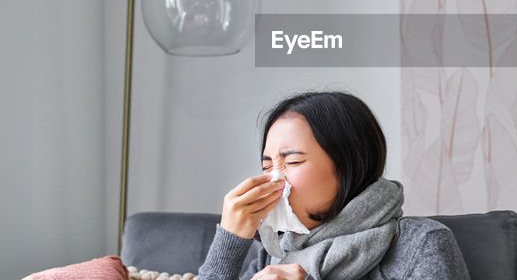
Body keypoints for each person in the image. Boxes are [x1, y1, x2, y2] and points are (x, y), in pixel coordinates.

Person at [198, 91, 470, 280]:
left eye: (291, 162)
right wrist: (229, 241)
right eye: (267, 166)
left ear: (348, 164)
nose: (273, 179)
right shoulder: (273, 253)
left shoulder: (418, 244)